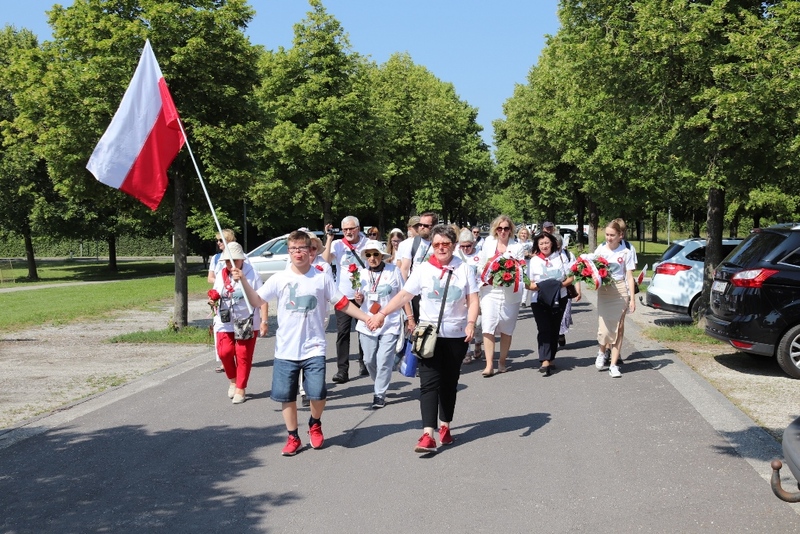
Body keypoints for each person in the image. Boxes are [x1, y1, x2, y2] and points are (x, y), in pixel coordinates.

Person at [234, 231, 371, 456]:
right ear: (289, 252)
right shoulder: (280, 278)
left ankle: (314, 423)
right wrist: (244, 281)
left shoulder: (321, 277)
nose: (298, 253)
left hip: (314, 347)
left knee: (317, 393)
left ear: (310, 251)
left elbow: (342, 303)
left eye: (301, 248)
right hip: (286, 349)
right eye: (293, 249)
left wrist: (367, 318)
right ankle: (293, 436)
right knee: (286, 396)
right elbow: (257, 300)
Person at [367, 225, 480, 453]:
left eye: (445, 244)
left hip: (456, 335)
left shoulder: (465, 269)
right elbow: (404, 295)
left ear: (454, 246)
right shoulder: (423, 270)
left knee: (449, 384)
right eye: (436, 244)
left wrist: (470, 323)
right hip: (428, 335)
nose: (441, 248)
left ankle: (445, 426)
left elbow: (473, 299)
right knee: (428, 384)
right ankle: (428, 434)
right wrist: (382, 313)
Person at [354, 240, 413, 408]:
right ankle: (379, 380)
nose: (372, 258)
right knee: (369, 360)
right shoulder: (361, 273)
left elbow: (404, 296)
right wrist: (359, 300)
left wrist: (410, 318)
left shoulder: (394, 271)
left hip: (390, 322)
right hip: (368, 322)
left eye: (375, 254)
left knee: (383, 359)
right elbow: (360, 301)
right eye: (368, 255)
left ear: (382, 256)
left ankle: (379, 393)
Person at [210, 242, 268, 404]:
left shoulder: (251, 273)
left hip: (246, 320)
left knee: (243, 355)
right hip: (225, 319)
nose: (231, 264)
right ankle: (233, 379)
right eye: (228, 261)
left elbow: (262, 298)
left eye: (235, 260)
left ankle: (241, 388)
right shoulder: (221, 274)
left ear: (242, 260)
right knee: (224, 352)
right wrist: (213, 298)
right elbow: (216, 292)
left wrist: (264, 320)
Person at [477, 215, 525, 377]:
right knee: (488, 325)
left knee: (507, 328)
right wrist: (489, 273)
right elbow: (480, 266)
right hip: (490, 291)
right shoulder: (488, 244)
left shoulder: (517, 247)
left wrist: (508, 274)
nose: (503, 231)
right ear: (495, 230)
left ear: (510, 229)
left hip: (510, 292)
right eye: (500, 228)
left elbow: (520, 269)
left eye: (506, 228)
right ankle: (489, 364)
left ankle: (502, 361)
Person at [323, 216, 368, 383]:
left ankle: (365, 362)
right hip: (343, 296)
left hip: (363, 295)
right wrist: (329, 238)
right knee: (342, 332)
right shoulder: (337, 245)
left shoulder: (367, 243)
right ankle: (343, 370)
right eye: (345, 229)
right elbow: (326, 261)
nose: (349, 232)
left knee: (364, 330)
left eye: (352, 228)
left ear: (358, 228)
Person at [526, 232, 574, 376]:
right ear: (537, 246)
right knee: (544, 328)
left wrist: (558, 286)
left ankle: (551, 356)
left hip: (560, 297)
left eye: (546, 243)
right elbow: (528, 283)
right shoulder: (534, 261)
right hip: (539, 299)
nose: (544, 246)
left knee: (554, 328)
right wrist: (544, 287)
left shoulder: (561, 256)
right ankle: (544, 359)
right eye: (541, 244)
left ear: (552, 243)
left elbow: (571, 276)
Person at [593, 219, 637, 378]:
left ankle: (613, 364)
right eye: (607, 234)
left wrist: (632, 299)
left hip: (620, 290)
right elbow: (594, 271)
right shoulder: (600, 250)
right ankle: (601, 351)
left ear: (620, 235)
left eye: (612, 235)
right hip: (605, 291)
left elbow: (629, 276)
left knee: (618, 328)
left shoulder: (626, 251)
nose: (609, 238)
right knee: (604, 328)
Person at [398, 212, 437, 321]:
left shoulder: (439, 242)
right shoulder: (412, 243)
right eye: (420, 225)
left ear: (434, 226)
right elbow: (404, 269)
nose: (421, 227)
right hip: (417, 289)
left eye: (425, 226)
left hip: (436, 289)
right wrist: (403, 291)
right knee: (418, 320)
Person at [208, 228, 237, 373]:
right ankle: (224, 361)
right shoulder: (215, 258)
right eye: (217, 240)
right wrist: (222, 282)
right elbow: (210, 278)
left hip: (235, 296)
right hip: (219, 296)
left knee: (235, 328)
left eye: (221, 240)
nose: (218, 243)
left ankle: (237, 357)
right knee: (219, 327)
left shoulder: (238, 256)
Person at [456, 228, 484, 364]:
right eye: (463, 246)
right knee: (463, 322)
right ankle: (466, 351)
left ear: (473, 244)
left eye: (468, 245)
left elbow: (485, 273)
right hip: (461, 294)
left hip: (477, 292)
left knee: (477, 323)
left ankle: (478, 342)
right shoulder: (456, 255)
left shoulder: (480, 255)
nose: (466, 248)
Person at [516, 226, 533, 306]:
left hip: (527, 263)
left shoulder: (530, 243)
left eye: (525, 233)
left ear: (527, 235)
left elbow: (534, 254)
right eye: (522, 233)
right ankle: (518, 299)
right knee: (519, 282)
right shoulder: (516, 243)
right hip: (518, 264)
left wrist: (529, 254)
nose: (523, 235)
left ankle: (524, 301)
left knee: (526, 281)